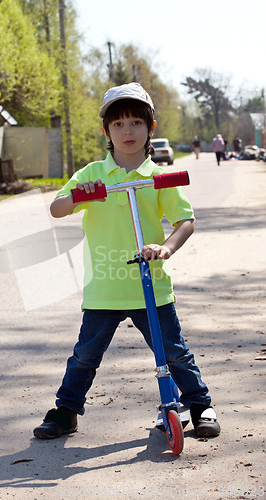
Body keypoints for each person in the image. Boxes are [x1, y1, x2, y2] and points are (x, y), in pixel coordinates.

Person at [33, 82, 220, 441]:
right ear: (106, 131)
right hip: (105, 286)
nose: (127, 130)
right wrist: (76, 195)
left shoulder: (159, 178)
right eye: (118, 124)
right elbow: (56, 209)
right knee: (85, 355)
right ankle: (66, 411)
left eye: (136, 122)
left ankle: (199, 404)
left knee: (174, 353)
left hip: (151, 286)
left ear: (151, 128)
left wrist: (165, 248)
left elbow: (185, 222)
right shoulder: (92, 174)